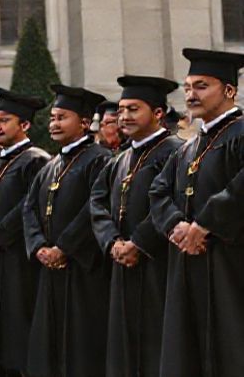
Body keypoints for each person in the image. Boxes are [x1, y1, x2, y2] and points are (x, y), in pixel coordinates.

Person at [149, 48, 244, 376]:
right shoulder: (188, 146)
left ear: (229, 90)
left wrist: (204, 224)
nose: (191, 94)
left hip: (232, 262)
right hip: (188, 260)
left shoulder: (241, 133)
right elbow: (158, 191)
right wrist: (176, 225)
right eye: (187, 87)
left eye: (201, 86)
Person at [90, 75, 182, 377]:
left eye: (133, 109)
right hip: (121, 261)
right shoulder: (119, 159)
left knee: (159, 343)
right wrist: (112, 242)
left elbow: (171, 202)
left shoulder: (174, 151)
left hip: (159, 262)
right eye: (121, 109)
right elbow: (97, 201)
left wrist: (138, 243)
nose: (124, 117)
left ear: (157, 114)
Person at [22, 84, 112, 377]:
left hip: (83, 268)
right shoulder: (51, 164)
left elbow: (94, 209)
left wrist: (65, 247)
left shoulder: (99, 159)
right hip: (50, 266)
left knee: (81, 345)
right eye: (52, 118)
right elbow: (29, 209)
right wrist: (38, 247)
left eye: (62, 117)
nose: (54, 123)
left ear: (85, 123)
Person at [0, 88, 50, 377]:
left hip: (16, 253)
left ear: (24, 125)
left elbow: (30, 205)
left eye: (5, 120)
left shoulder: (35, 159)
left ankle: (18, 367)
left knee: (17, 310)